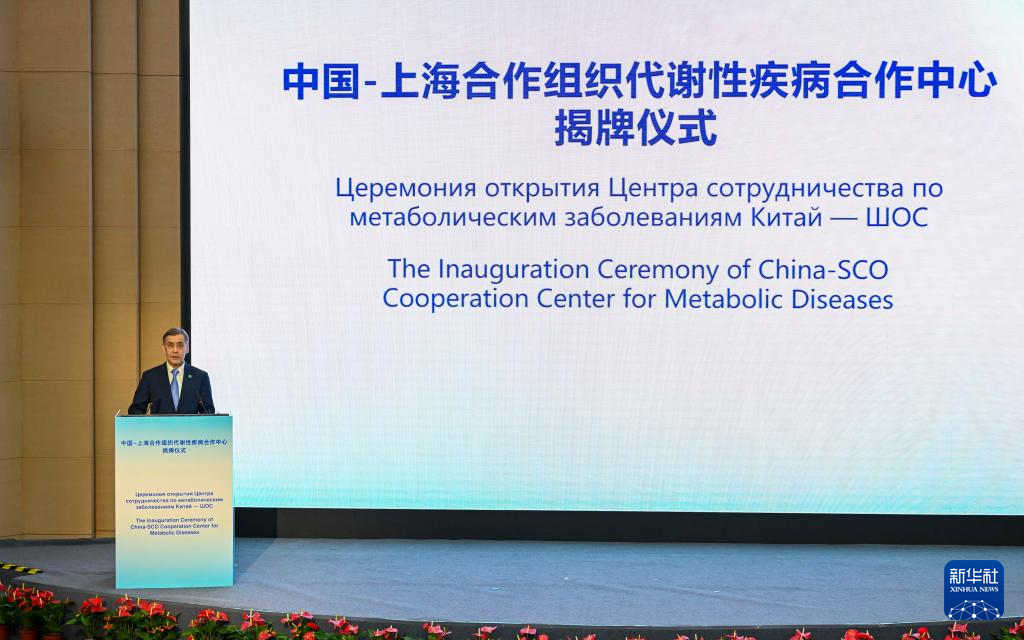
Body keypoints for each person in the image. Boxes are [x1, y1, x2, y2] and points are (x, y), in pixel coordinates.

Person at [129, 328, 215, 415]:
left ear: (187, 348)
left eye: (180, 346)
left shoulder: (201, 377)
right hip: (159, 424)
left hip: (190, 424)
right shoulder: (150, 377)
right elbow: (135, 410)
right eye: (170, 345)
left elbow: (208, 410)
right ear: (164, 348)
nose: (175, 350)